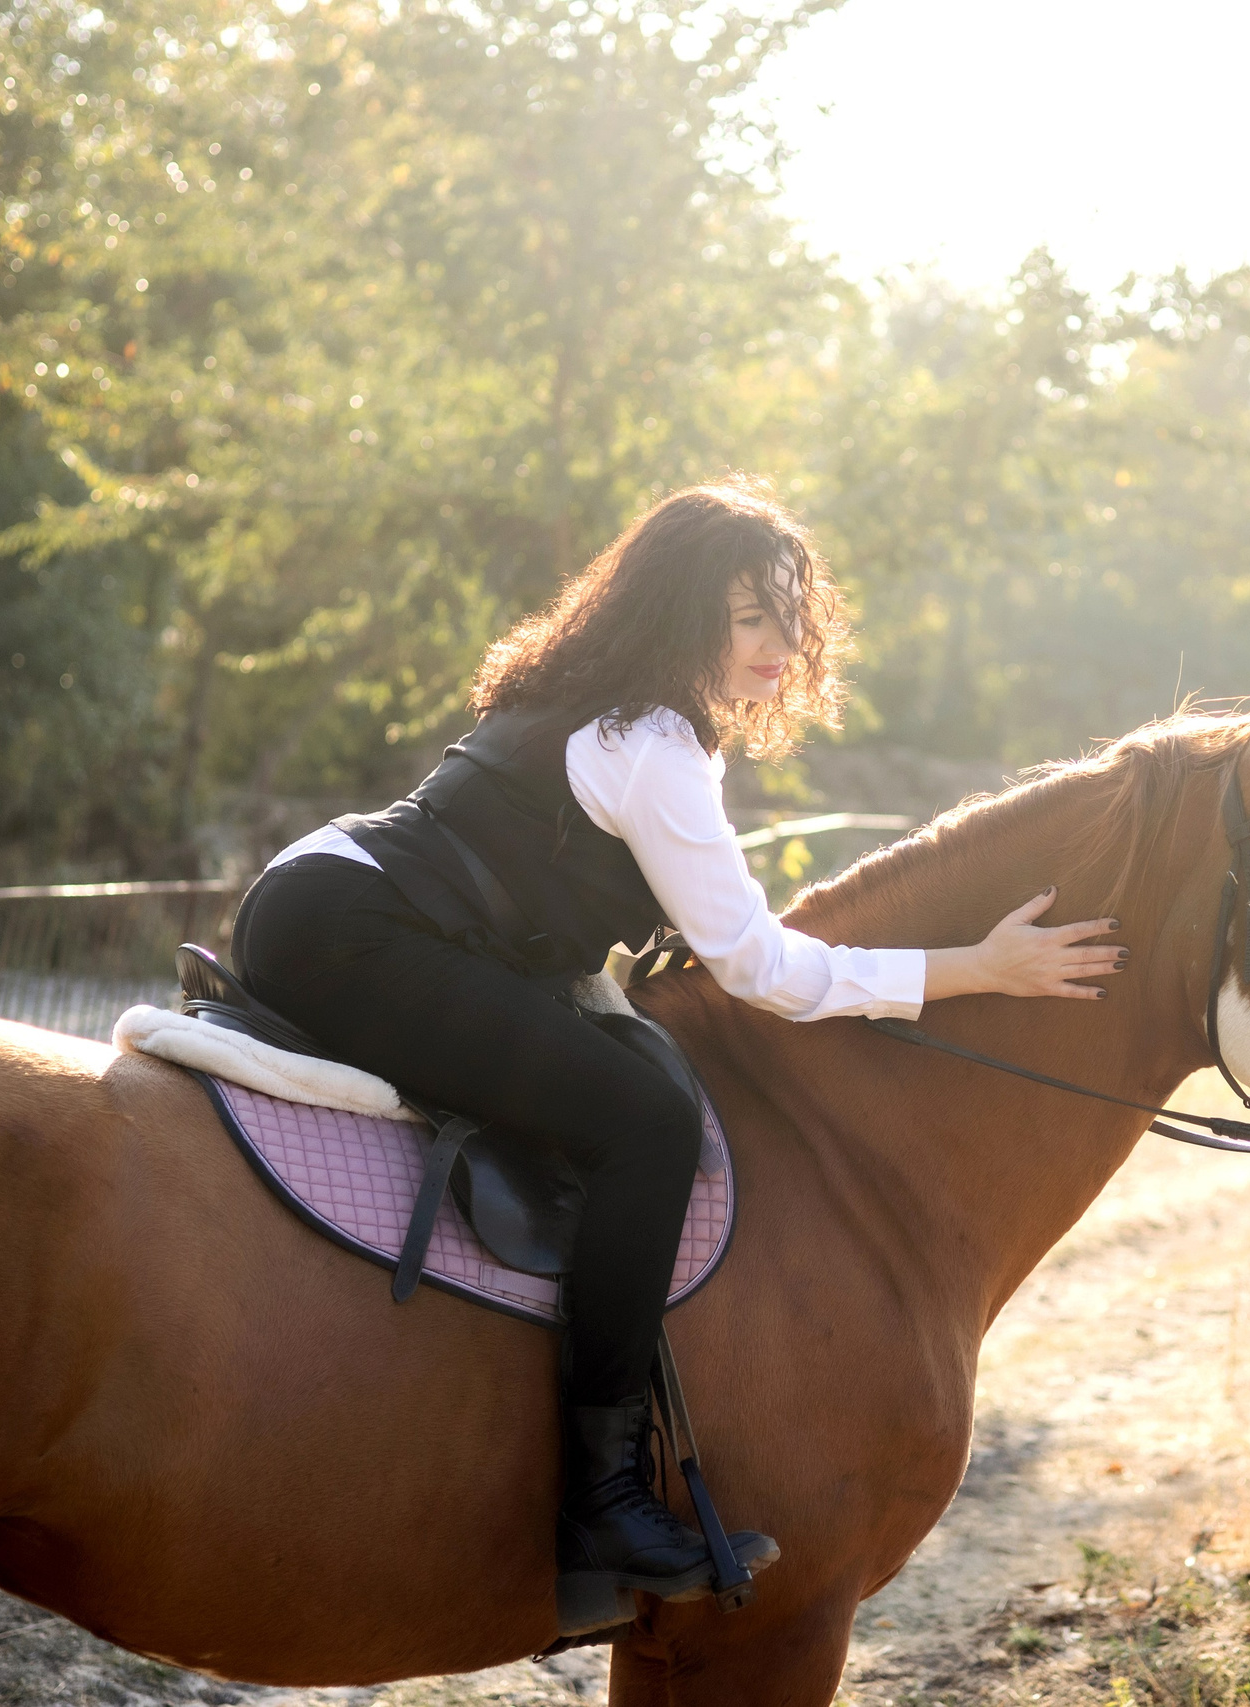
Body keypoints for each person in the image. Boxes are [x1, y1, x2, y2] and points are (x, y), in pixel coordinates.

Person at [231, 476, 1124, 1633]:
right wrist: (974, 968)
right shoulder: (651, 743)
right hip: (355, 935)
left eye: (790, 612)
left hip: (327, 898)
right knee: (645, 1124)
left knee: (635, 1081)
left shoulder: (604, 705)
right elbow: (758, 968)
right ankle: (602, 1498)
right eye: (745, 614)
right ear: (680, 611)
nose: (776, 641)